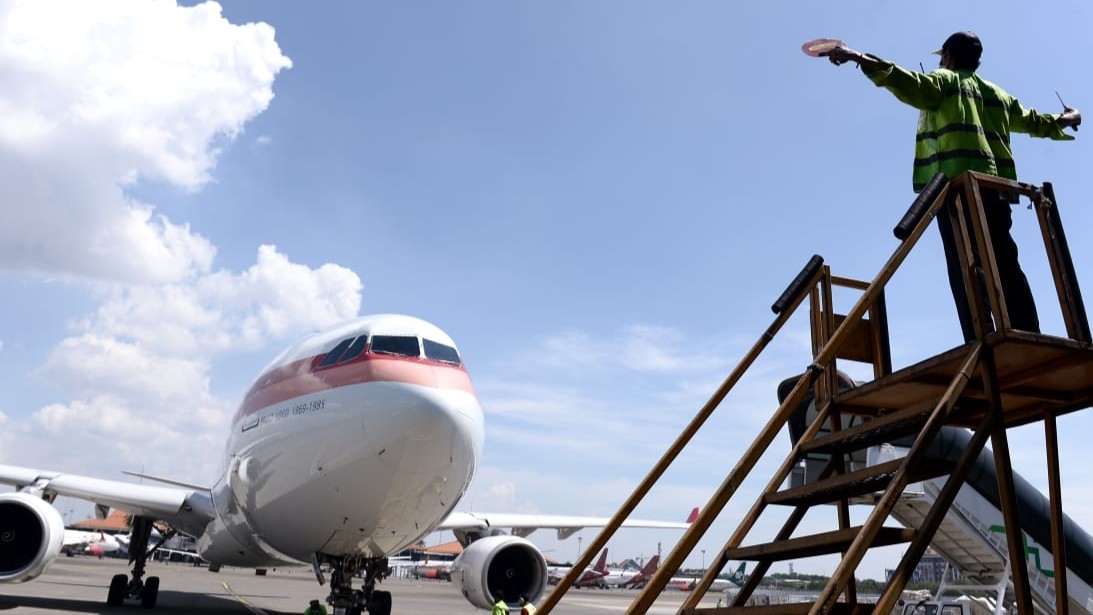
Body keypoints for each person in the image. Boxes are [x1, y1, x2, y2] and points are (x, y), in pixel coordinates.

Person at [823, 32, 1081, 341]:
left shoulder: (943, 82)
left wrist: (856, 57)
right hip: (994, 190)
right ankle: (1028, 333)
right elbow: (1034, 120)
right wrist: (1066, 119)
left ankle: (980, 338)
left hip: (957, 191)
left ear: (948, 55)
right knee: (1006, 264)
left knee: (966, 270)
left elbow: (908, 83)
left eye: (942, 56)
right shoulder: (996, 95)